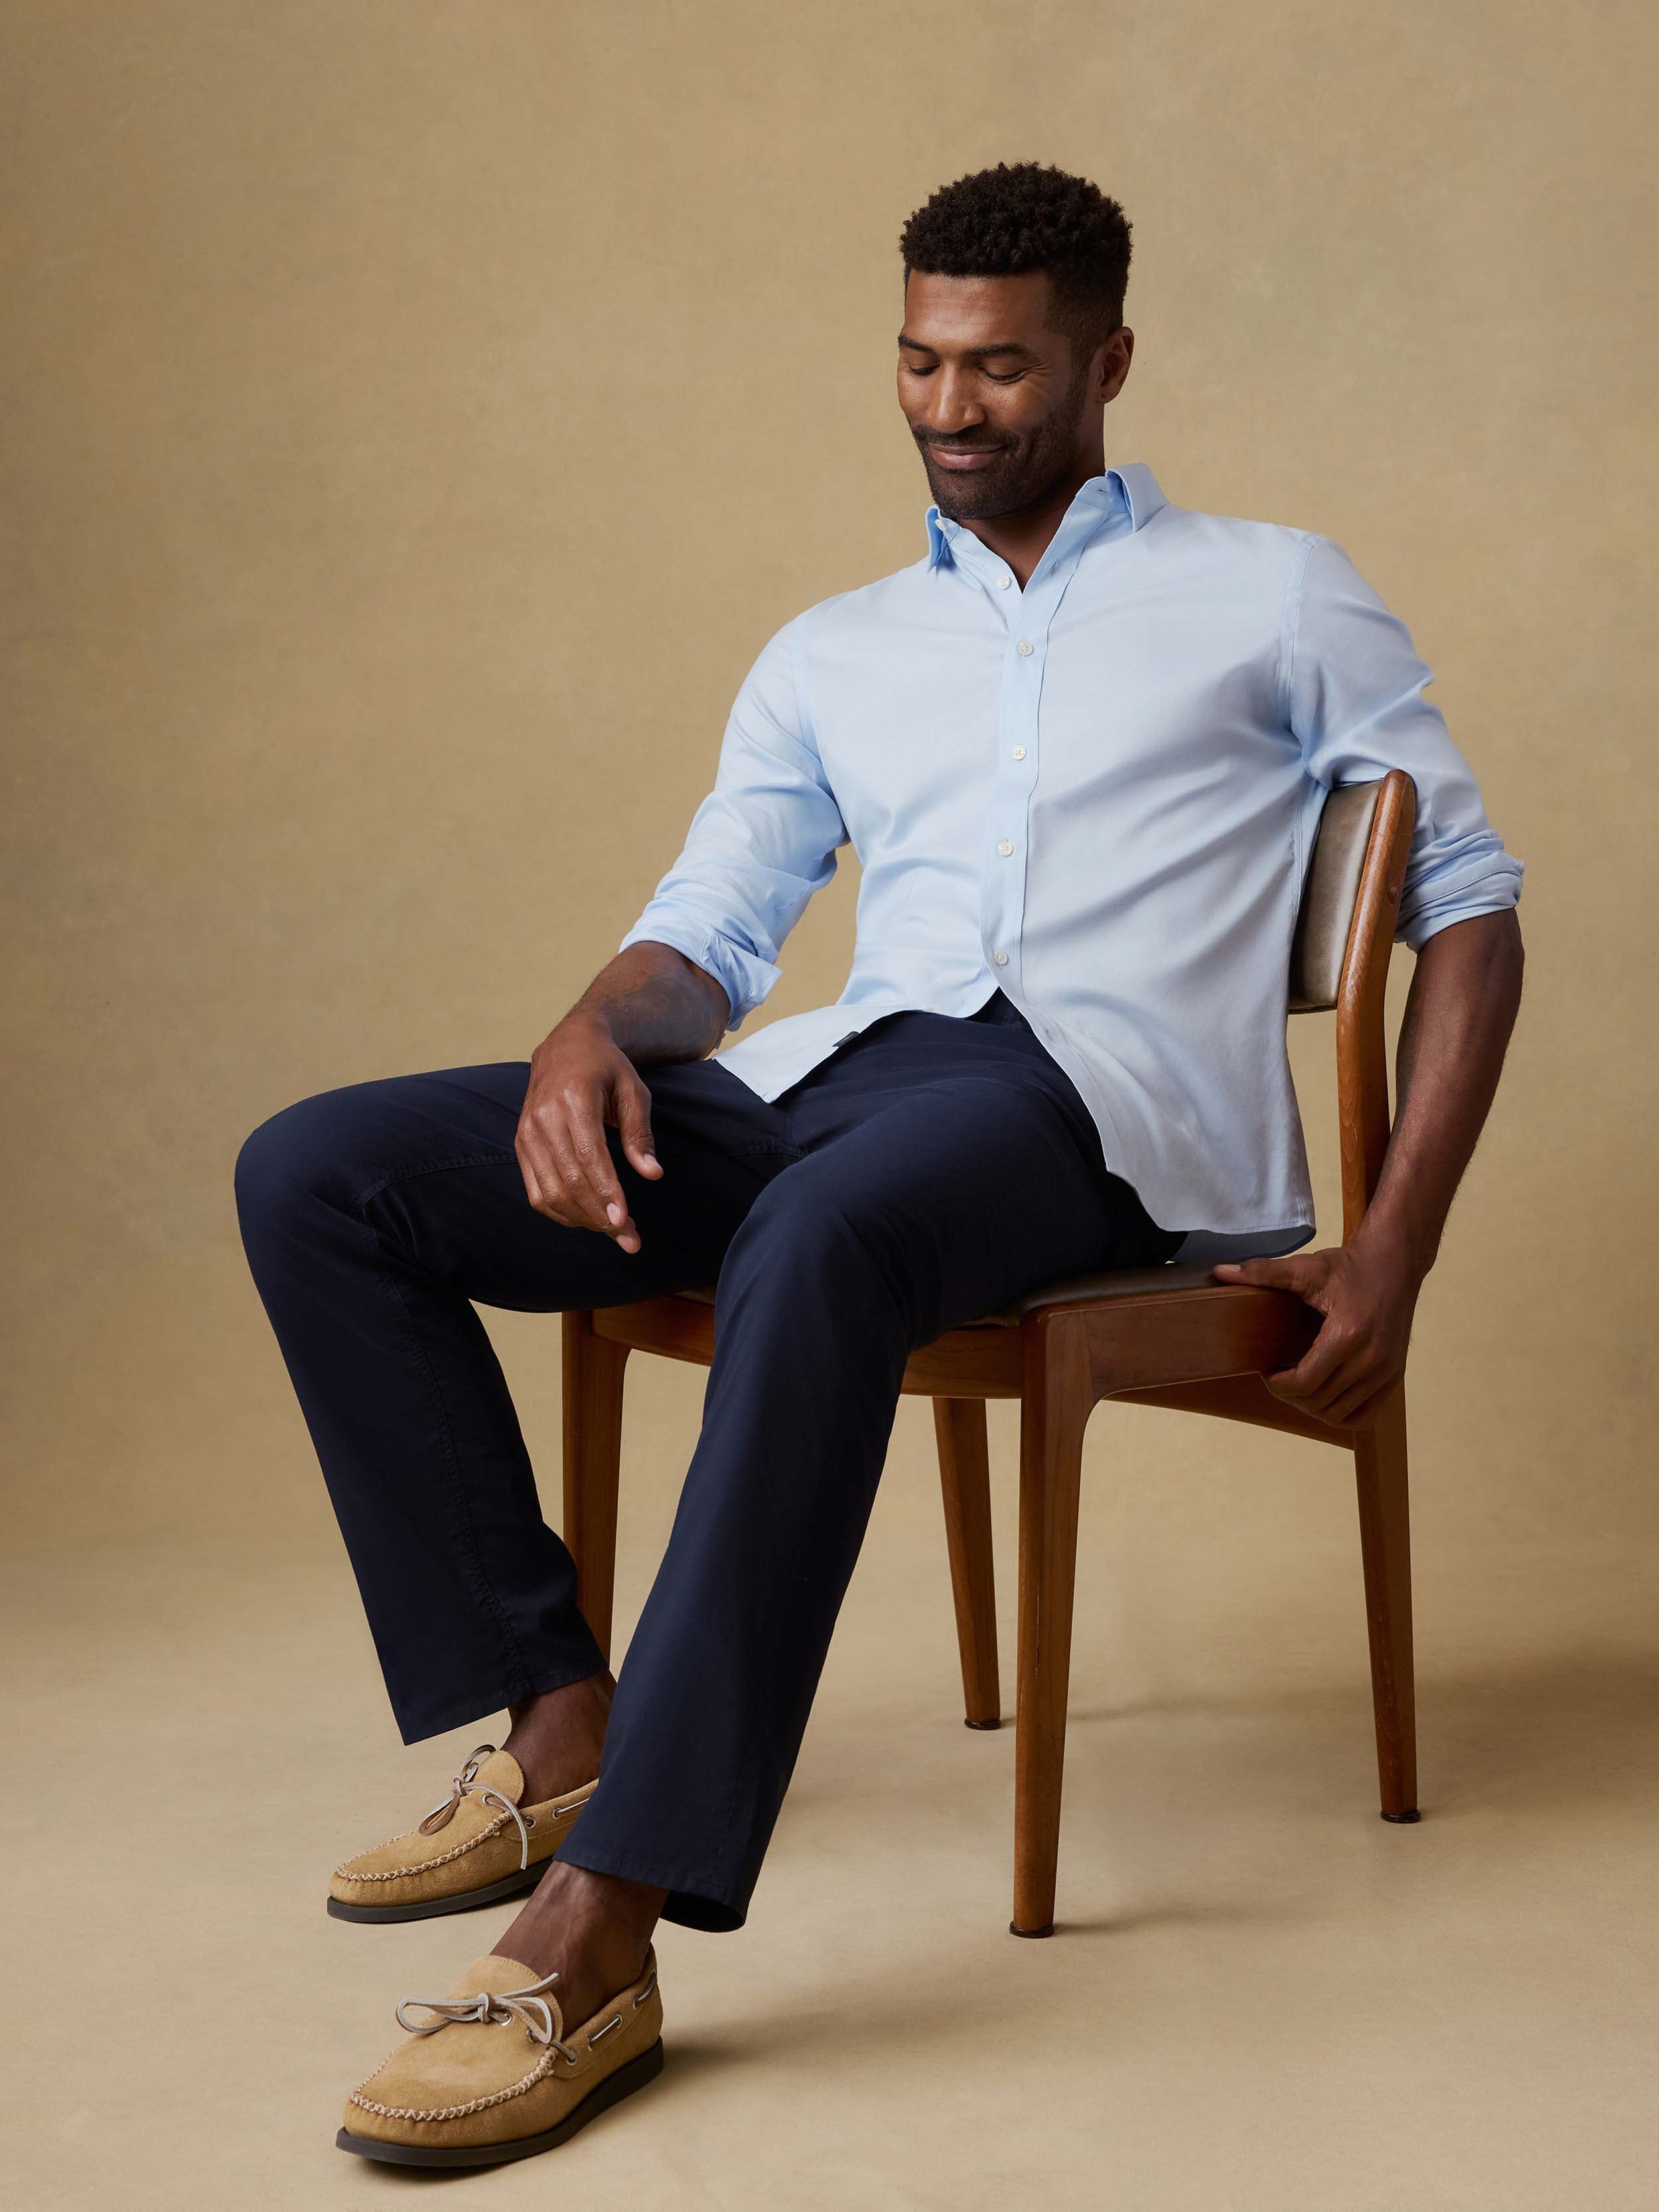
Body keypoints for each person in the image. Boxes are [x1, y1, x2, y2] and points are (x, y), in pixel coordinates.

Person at [235, 161, 1524, 2168]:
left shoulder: (1274, 589)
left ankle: (606, 1933)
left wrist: (1396, 1245)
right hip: (832, 1085)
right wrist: (592, 1028)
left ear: (1103, 362)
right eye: (918, 361)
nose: (947, 406)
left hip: (1093, 1123)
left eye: (997, 367)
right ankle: (555, 1719)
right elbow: (717, 924)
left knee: (832, 1229)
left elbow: (1469, 907)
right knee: (323, 1171)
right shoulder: (833, 646)